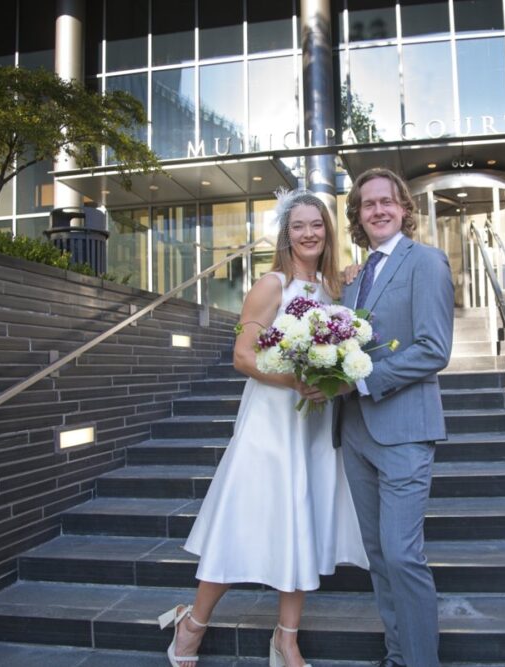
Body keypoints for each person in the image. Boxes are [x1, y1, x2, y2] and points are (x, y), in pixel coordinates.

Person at [159, 190, 368, 667]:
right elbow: (243, 356)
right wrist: (294, 380)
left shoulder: (335, 288)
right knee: (241, 520)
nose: (309, 233)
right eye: (299, 226)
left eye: (317, 224)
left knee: (303, 522)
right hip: (270, 424)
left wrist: (329, 382)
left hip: (313, 428)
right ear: (286, 233)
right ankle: (192, 624)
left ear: (327, 231)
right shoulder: (270, 284)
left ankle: (285, 638)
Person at [336, 167, 454, 667]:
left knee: (404, 557)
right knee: (380, 557)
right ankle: (398, 655)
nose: (379, 210)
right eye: (368, 204)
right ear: (358, 216)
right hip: (356, 433)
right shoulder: (355, 278)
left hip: (404, 429)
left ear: (404, 208)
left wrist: (363, 380)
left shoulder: (426, 262)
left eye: (387, 201)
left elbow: (434, 348)